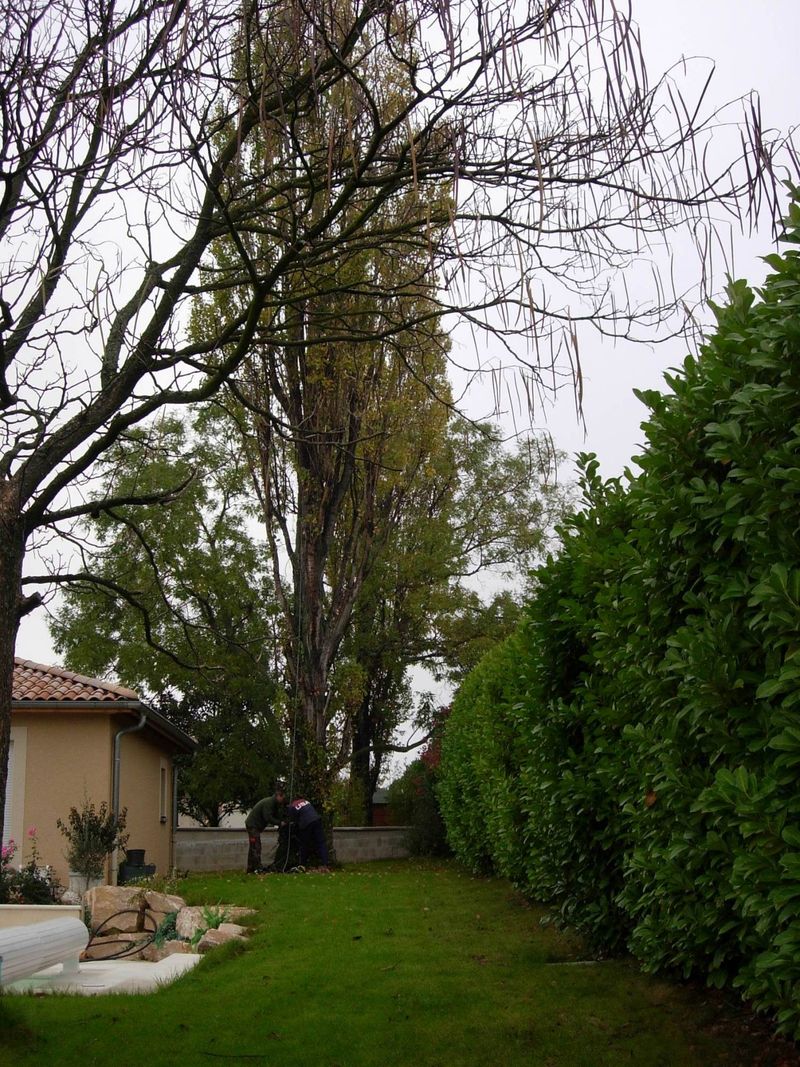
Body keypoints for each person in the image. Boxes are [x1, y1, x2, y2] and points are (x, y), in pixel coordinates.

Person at [245, 782, 286, 873]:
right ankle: (257, 868)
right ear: (278, 796)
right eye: (282, 798)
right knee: (256, 846)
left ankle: (250, 868)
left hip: (254, 826)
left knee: (253, 847)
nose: (283, 800)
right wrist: (280, 823)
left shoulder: (274, 804)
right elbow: (268, 817)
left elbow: (276, 815)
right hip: (253, 825)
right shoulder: (269, 803)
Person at [287, 798, 330, 869]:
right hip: (316, 819)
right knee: (321, 842)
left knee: (304, 844)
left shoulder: (292, 806)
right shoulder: (305, 801)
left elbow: (294, 821)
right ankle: (325, 863)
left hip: (306, 823)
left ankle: (302, 864)